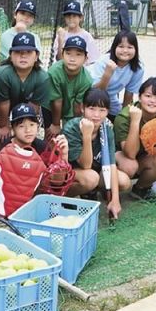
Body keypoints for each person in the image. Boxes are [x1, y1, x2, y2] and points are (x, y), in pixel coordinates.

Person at [0, 103, 69, 217]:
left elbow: (57, 183)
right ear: (12, 129)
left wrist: (63, 155)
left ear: (38, 126)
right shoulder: (6, 148)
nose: (28, 130)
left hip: (32, 201)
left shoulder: (42, 147)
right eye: (21, 126)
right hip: (4, 203)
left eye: (32, 124)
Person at [63, 89, 129, 220]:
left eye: (102, 110)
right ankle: (65, 199)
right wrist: (87, 135)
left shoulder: (106, 128)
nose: (96, 115)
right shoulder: (72, 127)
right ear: (82, 108)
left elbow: (111, 165)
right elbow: (85, 165)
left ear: (108, 111)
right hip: (73, 172)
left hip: (95, 170)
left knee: (124, 181)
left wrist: (115, 199)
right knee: (91, 177)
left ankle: (93, 192)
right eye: (92, 108)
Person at [113, 78, 156, 201]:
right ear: (139, 97)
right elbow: (130, 154)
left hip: (145, 155)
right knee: (130, 165)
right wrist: (135, 121)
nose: (152, 101)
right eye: (148, 96)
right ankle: (109, 189)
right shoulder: (124, 117)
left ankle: (141, 188)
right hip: (119, 157)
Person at [0, 32, 49, 157]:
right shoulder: (2, 74)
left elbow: (34, 107)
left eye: (28, 52)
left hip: (23, 107)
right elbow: (3, 103)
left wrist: (22, 127)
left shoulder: (42, 77)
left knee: (24, 136)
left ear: (36, 55)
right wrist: (4, 126)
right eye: (18, 52)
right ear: (10, 55)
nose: (23, 56)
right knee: (0, 137)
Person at [88, 30, 144, 120]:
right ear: (114, 47)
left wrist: (124, 115)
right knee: (95, 116)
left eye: (130, 47)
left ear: (135, 49)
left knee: (118, 117)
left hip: (111, 95)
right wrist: (107, 74)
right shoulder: (103, 62)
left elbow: (129, 93)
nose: (125, 51)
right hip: (89, 93)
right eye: (121, 46)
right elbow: (96, 91)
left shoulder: (138, 67)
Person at [46, 35, 92, 140]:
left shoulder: (87, 79)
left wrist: (73, 126)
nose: (72, 58)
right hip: (50, 105)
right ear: (62, 54)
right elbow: (56, 100)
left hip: (71, 108)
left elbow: (77, 105)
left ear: (86, 58)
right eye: (68, 53)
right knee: (50, 135)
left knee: (70, 135)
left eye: (78, 54)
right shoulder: (54, 72)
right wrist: (56, 124)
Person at [52, 0, 100, 65]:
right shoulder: (61, 34)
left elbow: (93, 61)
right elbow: (59, 60)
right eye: (68, 16)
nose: (71, 19)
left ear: (81, 18)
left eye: (74, 16)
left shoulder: (86, 36)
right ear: (64, 18)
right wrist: (60, 41)